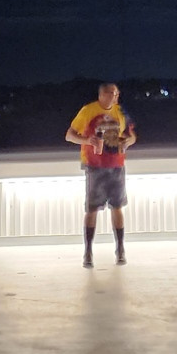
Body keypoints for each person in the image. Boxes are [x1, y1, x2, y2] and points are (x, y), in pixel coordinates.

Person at [65, 82, 136, 267]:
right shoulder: (88, 111)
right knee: (92, 209)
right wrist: (87, 140)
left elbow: (132, 134)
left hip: (117, 164)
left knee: (117, 207)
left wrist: (128, 141)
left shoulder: (121, 112)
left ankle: (120, 250)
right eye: (113, 93)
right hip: (95, 166)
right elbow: (69, 135)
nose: (116, 96)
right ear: (102, 95)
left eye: (117, 93)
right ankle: (88, 252)